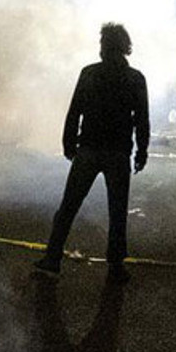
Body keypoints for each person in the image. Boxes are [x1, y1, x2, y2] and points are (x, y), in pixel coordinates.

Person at [34, 23, 149, 283]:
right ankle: (116, 266)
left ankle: (52, 259)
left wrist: (68, 143)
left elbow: (75, 110)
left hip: (89, 149)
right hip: (118, 153)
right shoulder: (135, 78)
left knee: (68, 207)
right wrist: (142, 151)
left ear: (104, 46)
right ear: (125, 47)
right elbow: (142, 119)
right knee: (117, 211)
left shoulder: (89, 73)